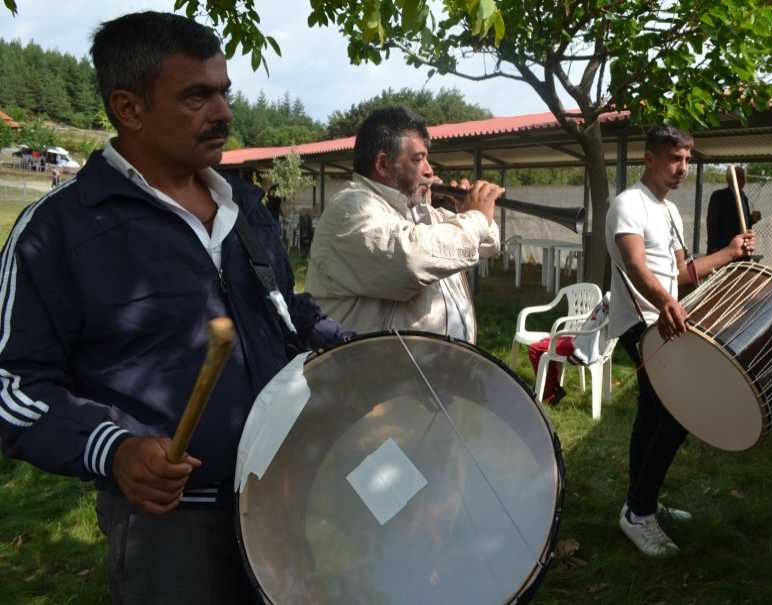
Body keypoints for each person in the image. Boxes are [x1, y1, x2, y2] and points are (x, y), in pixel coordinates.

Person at [0, 12, 351, 604]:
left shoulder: (244, 204)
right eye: (197, 95)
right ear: (129, 108)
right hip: (171, 530)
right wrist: (113, 448)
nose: (224, 113)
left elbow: (283, 309)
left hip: (283, 491)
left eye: (224, 92)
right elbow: (11, 381)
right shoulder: (59, 230)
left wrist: (359, 349)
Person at [607, 125, 755, 557]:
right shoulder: (628, 204)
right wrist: (665, 302)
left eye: (688, 160)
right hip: (642, 324)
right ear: (649, 158)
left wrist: (729, 252)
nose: (683, 168)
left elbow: (683, 273)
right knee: (678, 413)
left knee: (653, 417)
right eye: (675, 159)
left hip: (666, 318)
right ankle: (638, 512)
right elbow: (634, 265)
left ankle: (642, 502)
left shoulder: (669, 211)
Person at [306, 106, 503, 343]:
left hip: (439, 372)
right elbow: (412, 260)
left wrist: (468, 213)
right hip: (377, 376)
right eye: (418, 159)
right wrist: (475, 218)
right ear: (383, 165)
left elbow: (488, 244)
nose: (430, 171)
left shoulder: (416, 209)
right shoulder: (352, 207)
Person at [706, 165, 760, 254]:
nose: (743, 181)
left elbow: (742, 222)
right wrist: (713, 248)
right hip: (723, 248)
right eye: (739, 177)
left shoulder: (744, 198)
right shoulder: (719, 196)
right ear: (730, 179)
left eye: (743, 177)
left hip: (741, 249)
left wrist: (752, 219)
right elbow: (712, 223)